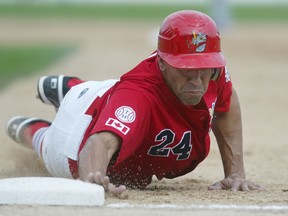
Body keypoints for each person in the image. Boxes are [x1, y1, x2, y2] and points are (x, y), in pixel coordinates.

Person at [6, 10, 262, 196]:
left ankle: (76, 88)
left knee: (107, 92)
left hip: (108, 95)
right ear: (161, 63)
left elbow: (226, 106)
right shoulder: (138, 95)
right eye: (185, 69)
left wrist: (235, 172)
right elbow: (99, 143)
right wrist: (93, 179)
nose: (196, 79)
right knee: (52, 142)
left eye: (203, 68)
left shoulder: (213, 70)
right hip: (74, 143)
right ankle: (38, 129)